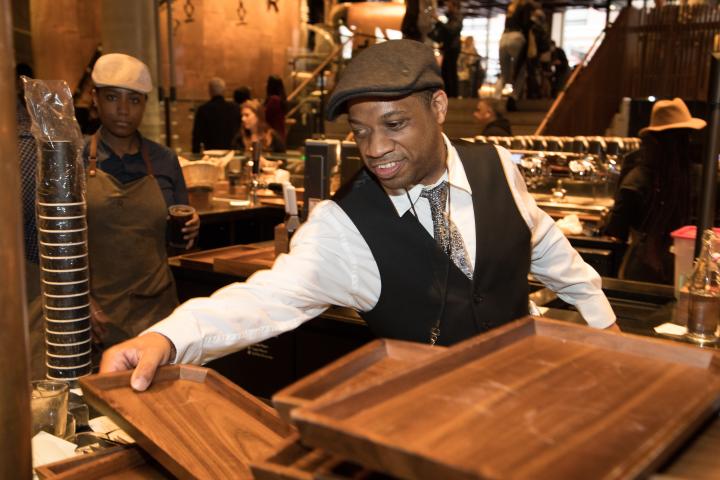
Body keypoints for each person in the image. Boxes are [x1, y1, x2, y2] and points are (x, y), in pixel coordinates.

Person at [100, 40, 616, 391]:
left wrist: (604, 324)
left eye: (394, 123)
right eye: (360, 130)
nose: (376, 148)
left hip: (528, 402)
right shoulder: (347, 223)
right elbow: (267, 298)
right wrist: (168, 338)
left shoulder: (496, 166)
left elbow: (544, 243)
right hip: (429, 423)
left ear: (438, 107)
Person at [85, 53, 200, 348]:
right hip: (96, 317)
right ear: (94, 98)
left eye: (134, 100)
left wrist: (190, 230)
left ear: (145, 105)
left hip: (157, 313)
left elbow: (175, 240)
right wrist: (80, 299)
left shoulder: (164, 160)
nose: (124, 110)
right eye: (112, 97)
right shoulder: (74, 159)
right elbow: (55, 246)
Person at [604, 98, 706, 284]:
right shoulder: (703, 179)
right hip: (691, 267)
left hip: (642, 271)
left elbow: (616, 231)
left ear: (652, 141)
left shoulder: (636, 180)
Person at [498, 0, 535, 109]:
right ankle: (513, 96)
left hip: (504, 38)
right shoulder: (525, 6)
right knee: (521, 69)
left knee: (504, 71)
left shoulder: (510, 7)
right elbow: (526, 24)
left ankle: (497, 96)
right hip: (516, 37)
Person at [191, 77, 241, 153]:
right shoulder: (234, 108)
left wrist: (195, 153)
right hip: (230, 152)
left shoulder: (203, 109)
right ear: (224, 91)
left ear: (210, 91)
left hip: (210, 152)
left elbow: (197, 135)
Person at [429, 0, 463, 98]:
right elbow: (446, 33)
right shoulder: (451, 17)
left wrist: (438, 21)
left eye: (449, 4)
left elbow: (451, 30)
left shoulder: (458, 17)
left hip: (452, 48)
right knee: (446, 72)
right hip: (449, 48)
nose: (447, 6)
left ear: (455, 5)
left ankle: (453, 95)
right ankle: (449, 95)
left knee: (450, 72)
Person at [264, 75, 288, 140]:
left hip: (273, 135)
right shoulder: (280, 99)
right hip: (278, 134)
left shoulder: (274, 100)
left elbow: (266, 116)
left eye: (267, 83)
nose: (265, 85)